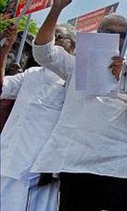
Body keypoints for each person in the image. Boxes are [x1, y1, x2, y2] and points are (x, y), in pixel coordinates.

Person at [32, 0, 127, 211]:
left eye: (122, 34)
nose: (115, 38)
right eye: (109, 32)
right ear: (98, 33)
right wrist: (56, 9)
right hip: (76, 163)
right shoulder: (76, 64)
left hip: (118, 166)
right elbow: (42, 53)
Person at [0, 23, 75, 211]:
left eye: (58, 38)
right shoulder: (31, 74)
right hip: (6, 161)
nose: (51, 42)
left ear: (73, 46)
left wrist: (53, 163)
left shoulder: (74, 83)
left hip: (37, 172)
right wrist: (4, 49)